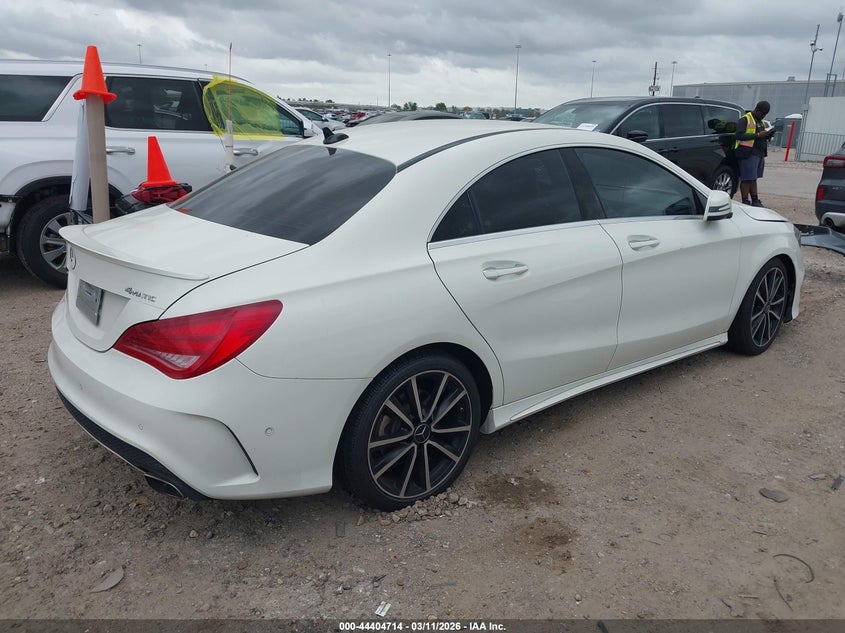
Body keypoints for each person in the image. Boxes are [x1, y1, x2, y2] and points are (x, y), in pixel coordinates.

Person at [734, 100, 775, 206]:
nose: (763, 116)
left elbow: (760, 135)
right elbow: (738, 135)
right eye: (762, 113)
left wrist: (768, 135)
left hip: (758, 153)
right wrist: (757, 135)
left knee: (753, 178)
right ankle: (745, 201)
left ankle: (755, 200)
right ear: (756, 110)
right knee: (747, 179)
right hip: (747, 153)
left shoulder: (760, 121)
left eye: (765, 114)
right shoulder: (745, 119)